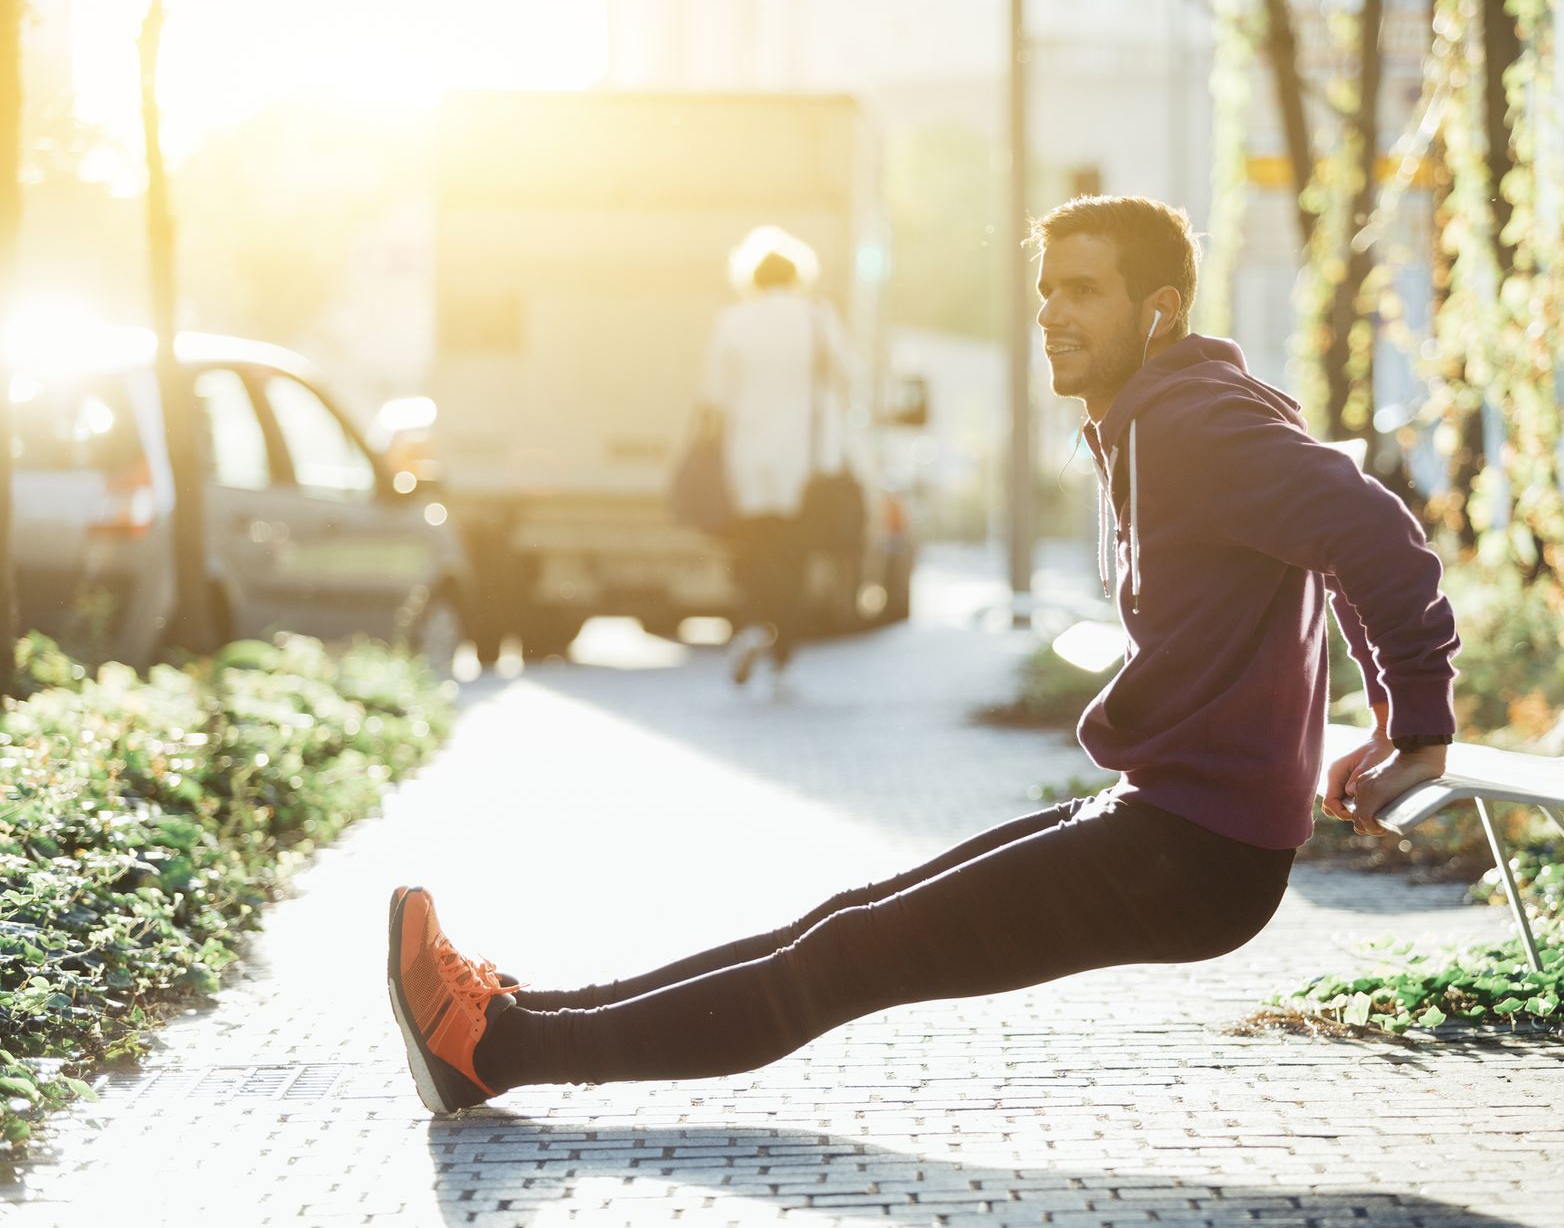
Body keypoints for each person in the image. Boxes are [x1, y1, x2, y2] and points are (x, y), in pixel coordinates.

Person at [385, 195, 1461, 1116]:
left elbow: (1373, 534)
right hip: (1170, 821)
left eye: (1082, 292)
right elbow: (1338, 544)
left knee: (838, 965)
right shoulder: (1158, 418)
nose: (1051, 315)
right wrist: (1380, 716)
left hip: (1193, 851)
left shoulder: (1194, 424)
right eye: (1047, 293)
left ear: (1158, 310)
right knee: (842, 925)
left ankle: (493, 1052)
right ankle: (512, 1018)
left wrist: (1414, 726)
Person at [695, 225, 858, 689]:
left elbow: (715, 394)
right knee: (794, 559)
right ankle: (783, 656)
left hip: (748, 458)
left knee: (754, 552)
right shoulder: (817, 318)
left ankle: (752, 625)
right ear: (797, 276)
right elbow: (847, 376)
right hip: (806, 463)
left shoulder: (733, 321)